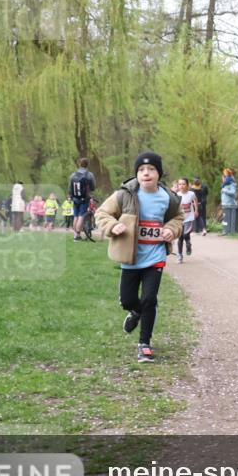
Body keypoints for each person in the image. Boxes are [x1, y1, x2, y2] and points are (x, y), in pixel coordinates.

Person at [94, 152, 183, 363]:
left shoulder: (168, 197)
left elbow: (178, 217)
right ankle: (134, 311)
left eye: (151, 169)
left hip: (155, 256)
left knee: (150, 299)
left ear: (158, 174)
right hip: (131, 258)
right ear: (137, 174)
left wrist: (171, 229)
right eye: (142, 170)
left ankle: (144, 344)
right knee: (128, 300)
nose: (146, 173)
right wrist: (112, 226)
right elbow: (101, 213)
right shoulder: (125, 194)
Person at [69, 157, 97, 241]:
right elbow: (93, 187)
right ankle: (77, 235)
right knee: (81, 216)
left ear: (79, 164)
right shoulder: (89, 175)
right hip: (84, 198)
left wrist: (71, 196)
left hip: (75, 198)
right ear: (87, 165)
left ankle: (75, 234)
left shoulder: (73, 174)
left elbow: (70, 188)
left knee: (75, 216)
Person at [175, 177, 198, 263]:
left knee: (185, 235)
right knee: (180, 238)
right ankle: (179, 255)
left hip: (189, 218)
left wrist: (196, 210)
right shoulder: (177, 195)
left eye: (183, 184)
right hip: (180, 219)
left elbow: (195, 200)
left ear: (187, 185)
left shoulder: (191, 194)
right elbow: (175, 207)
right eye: (180, 184)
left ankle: (188, 245)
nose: (181, 186)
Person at [220, 168, 238, 235]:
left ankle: (228, 231)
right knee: (225, 217)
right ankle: (225, 230)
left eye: (224, 177)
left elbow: (233, 193)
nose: (223, 179)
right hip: (224, 203)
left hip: (229, 204)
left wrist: (224, 191)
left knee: (227, 218)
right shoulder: (224, 185)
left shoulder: (231, 184)